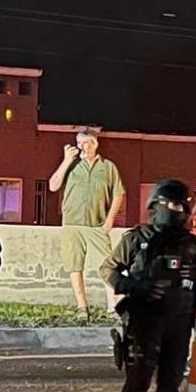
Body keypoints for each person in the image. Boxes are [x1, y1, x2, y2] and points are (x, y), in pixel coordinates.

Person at [99, 179, 196, 392]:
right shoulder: (138, 238)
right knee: (138, 383)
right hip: (144, 319)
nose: (180, 210)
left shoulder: (191, 243)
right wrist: (135, 286)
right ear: (157, 205)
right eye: (174, 205)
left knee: (170, 384)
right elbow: (109, 269)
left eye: (183, 205)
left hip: (180, 321)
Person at [49, 127, 125, 316]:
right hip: (72, 224)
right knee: (75, 265)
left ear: (95, 144)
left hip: (97, 224)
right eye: (80, 142)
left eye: (87, 142)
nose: (83, 146)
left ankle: (112, 306)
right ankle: (82, 307)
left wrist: (109, 220)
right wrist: (66, 160)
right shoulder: (71, 165)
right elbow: (53, 186)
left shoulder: (107, 167)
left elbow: (118, 194)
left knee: (108, 265)